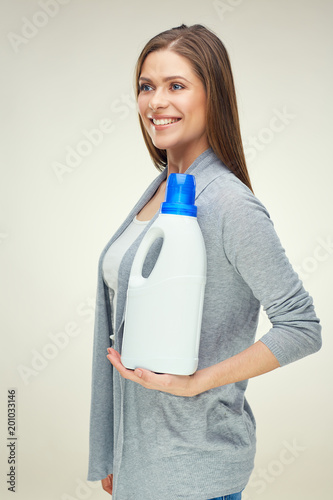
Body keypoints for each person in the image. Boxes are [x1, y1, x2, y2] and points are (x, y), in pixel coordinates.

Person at [87, 24, 322, 500]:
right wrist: (113, 453)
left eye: (176, 86)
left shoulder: (229, 204)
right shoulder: (159, 189)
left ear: (213, 96)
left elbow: (302, 326)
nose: (156, 102)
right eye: (146, 86)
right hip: (140, 463)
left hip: (192, 470)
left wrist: (198, 383)